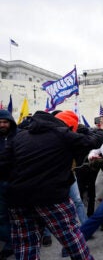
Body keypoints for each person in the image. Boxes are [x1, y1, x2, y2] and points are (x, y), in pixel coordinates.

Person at [0, 110, 102, 260]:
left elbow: (3, 166)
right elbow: (94, 141)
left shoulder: (20, 136)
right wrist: (95, 129)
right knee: (71, 238)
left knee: (26, 245)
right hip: (52, 198)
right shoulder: (63, 134)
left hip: (18, 199)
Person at [0, 110, 19, 259]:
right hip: (1, 183)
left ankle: (19, 241)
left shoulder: (19, 136)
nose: (2, 125)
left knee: (18, 215)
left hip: (17, 182)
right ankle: (11, 241)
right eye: (0, 122)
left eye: (5, 122)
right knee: (2, 215)